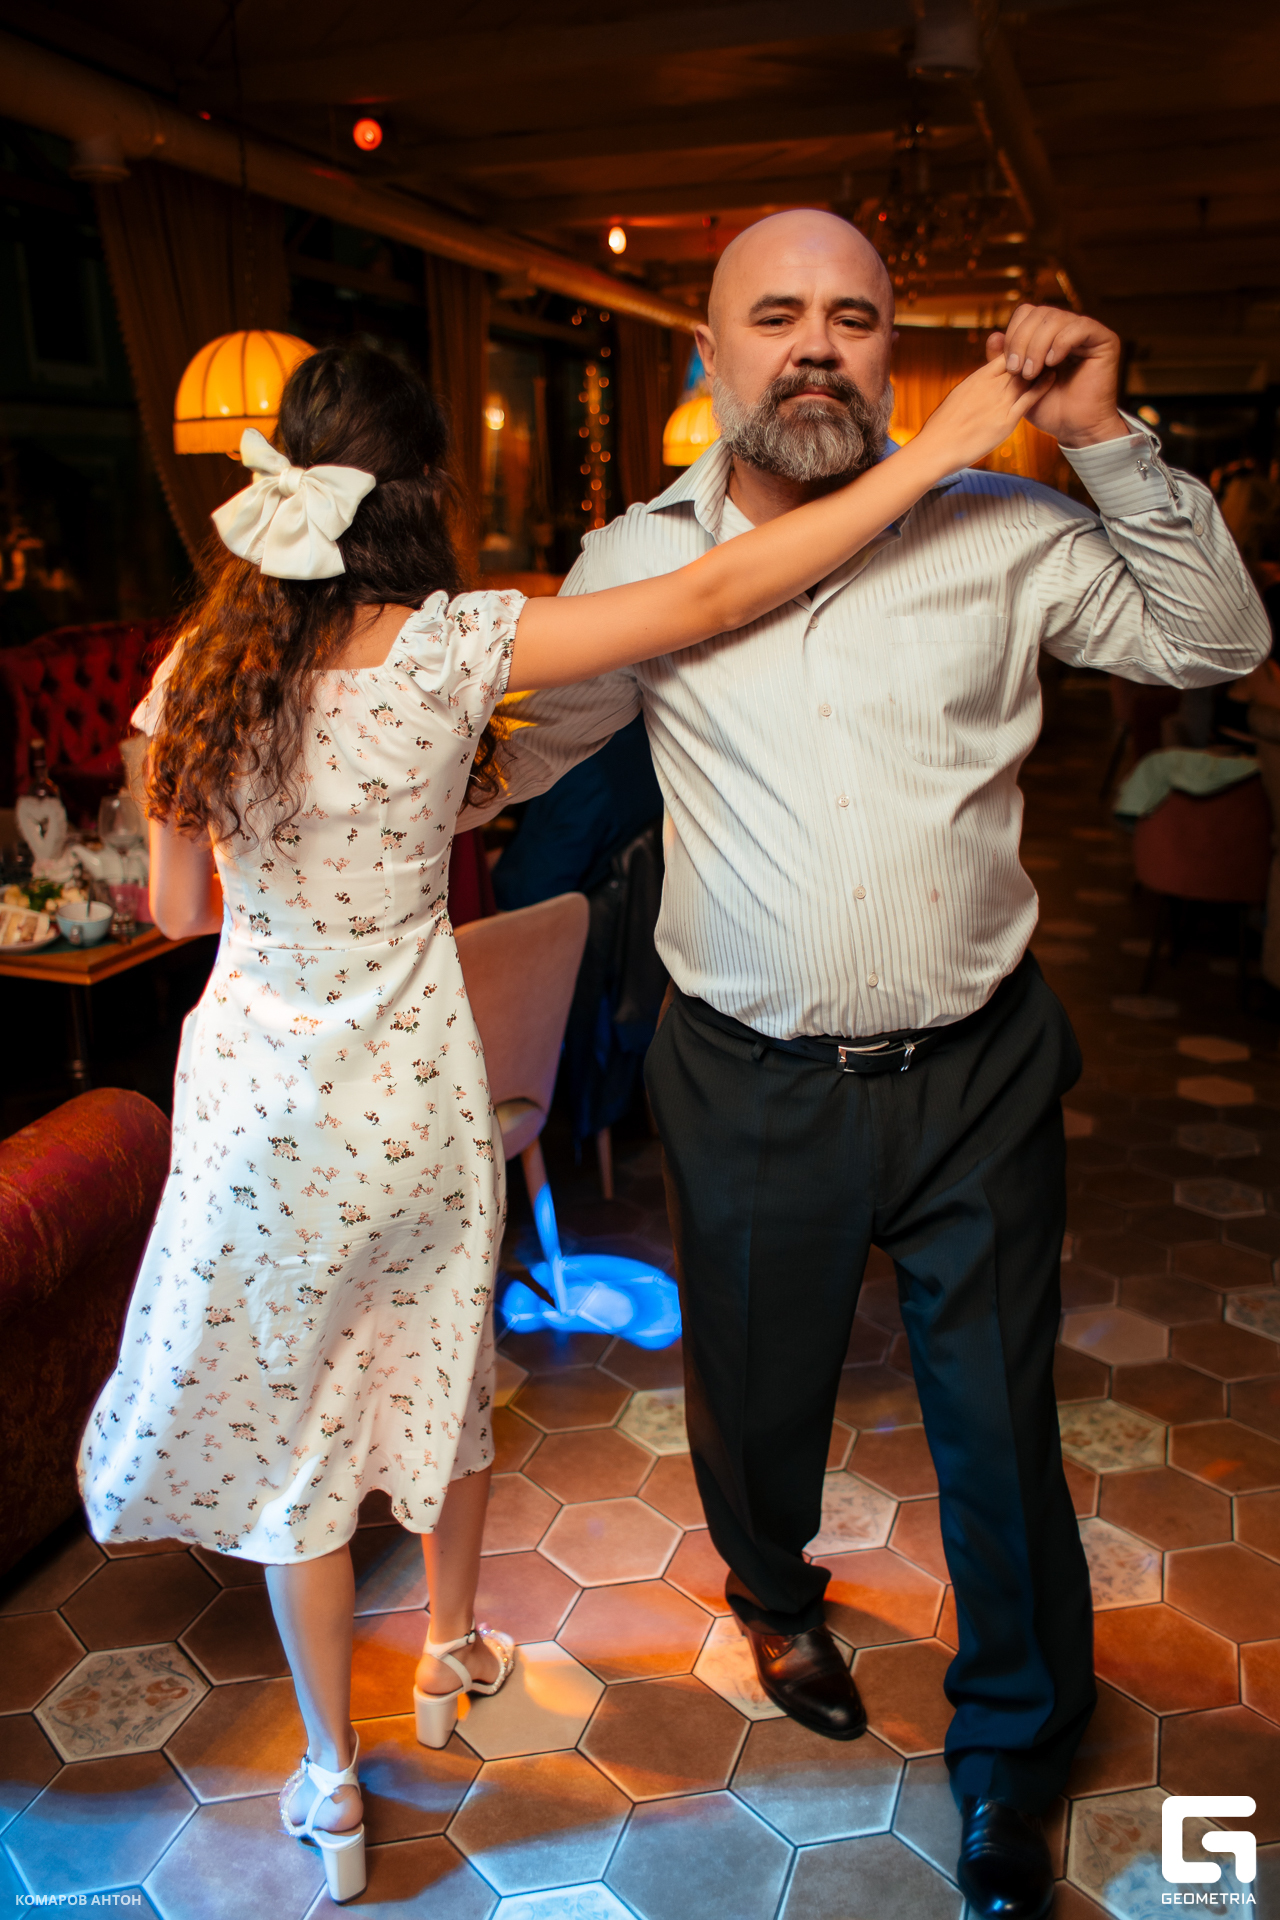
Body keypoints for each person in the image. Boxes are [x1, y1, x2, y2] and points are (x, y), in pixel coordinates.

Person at [76, 341, 1036, 1904]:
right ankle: (451, 1654)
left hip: (257, 1103)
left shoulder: (200, 668)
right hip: (410, 1092)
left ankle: (330, 1783)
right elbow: (712, 595)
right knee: (443, 1367)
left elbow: (183, 910)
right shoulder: (458, 642)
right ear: (422, 493)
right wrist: (932, 458)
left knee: (297, 1445)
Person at [461, 210, 1270, 1920]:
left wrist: (1107, 434)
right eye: (776, 316)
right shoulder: (636, 561)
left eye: (852, 316)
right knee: (759, 1401)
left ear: (896, 350)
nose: (816, 345)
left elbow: (1213, 645)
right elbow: (527, 753)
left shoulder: (1004, 526)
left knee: (999, 1426)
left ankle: (1015, 1752)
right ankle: (773, 1592)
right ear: (710, 353)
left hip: (979, 1070)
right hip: (747, 1076)